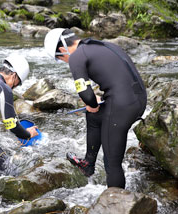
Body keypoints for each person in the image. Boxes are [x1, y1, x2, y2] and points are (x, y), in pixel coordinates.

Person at [44, 28, 147, 189]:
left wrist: (91, 103)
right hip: (138, 100)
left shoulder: (76, 56)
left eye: (60, 58)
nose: (64, 62)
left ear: (63, 50)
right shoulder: (102, 45)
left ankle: (116, 206)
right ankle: (88, 164)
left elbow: (85, 93)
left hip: (122, 106)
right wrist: (94, 104)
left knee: (111, 162)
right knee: (94, 115)